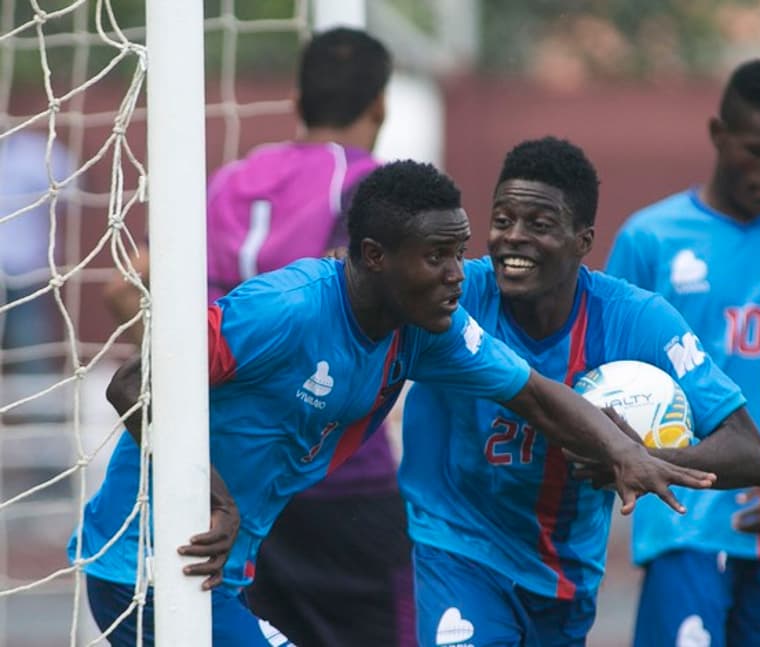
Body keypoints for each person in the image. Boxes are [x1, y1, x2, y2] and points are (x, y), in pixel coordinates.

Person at [71, 160, 717, 647]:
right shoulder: (286, 309)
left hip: (216, 570)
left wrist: (627, 452)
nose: (457, 275)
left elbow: (535, 395)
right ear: (376, 257)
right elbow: (133, 382)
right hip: (146, 565)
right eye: (436, 257)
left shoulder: (427, 331)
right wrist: (212, 493)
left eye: (459, 253)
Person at [102, 28, 415, 646]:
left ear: (297, 101)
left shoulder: (230, 182)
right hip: (336, 483)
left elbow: (126, 287)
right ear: (380, 105)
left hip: (222, 477)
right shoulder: (375, 189)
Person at [399, 137, 760, 646]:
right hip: (459, 547)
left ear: (583, 239)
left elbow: (751, 453)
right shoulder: (457, 296)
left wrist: (641, 457)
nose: (513, 238)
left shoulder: (635, 321)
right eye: (503, 220)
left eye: (540, 225)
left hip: (564, 572)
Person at [606, 58, 760, 646]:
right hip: (685, 522)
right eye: (759, 150)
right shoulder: (650, 238)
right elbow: (606, 370)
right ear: (719, 134)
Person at [0, 129, 74, 376]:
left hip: (26, 272)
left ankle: (42, 414)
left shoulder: (37, 152)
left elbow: (75, 189)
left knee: (30, 348)